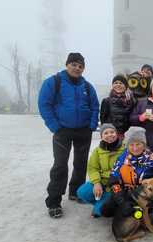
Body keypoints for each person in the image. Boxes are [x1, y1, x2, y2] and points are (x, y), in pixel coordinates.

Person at [38, 52, 99, 218]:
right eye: (74, 65)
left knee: (81, 163)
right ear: (67, 65)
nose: (77, 68)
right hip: (62, 130)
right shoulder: (54, 82)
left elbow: (95, 106)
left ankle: (76, 192)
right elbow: (44, 104)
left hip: (83, 130)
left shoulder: (87, 86)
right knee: (60, 165)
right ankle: (54, 201)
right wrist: (54, 126)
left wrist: (92, 125)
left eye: (80, 66)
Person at [102, 127, 153, 231]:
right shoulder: (122, 159)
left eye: (138, 144)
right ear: (127, 145)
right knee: (106, 210)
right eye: (131, 145)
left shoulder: (151, 158)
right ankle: (132, 214)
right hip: (130, 194)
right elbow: (113, 181)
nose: (135, 148)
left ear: (144, 144)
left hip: (148, 193)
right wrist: (121, 201)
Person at [76, 124, 125, 217]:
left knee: (101, 211)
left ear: (117, 134)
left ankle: (104, 205)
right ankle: (100, 202)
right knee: (81, 192)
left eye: (112, 132)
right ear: (101, 137)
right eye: (106, 133)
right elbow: (93, 168)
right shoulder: (97, 150)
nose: (109, 135)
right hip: (102, 181)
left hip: (116, 184)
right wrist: (96, 183)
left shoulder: (125, 149)